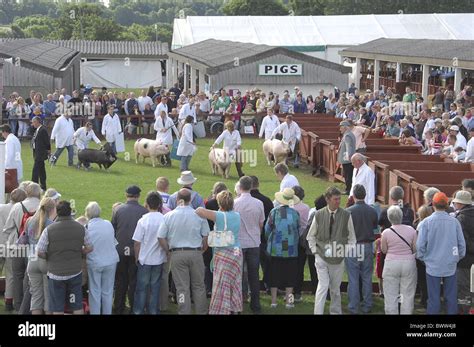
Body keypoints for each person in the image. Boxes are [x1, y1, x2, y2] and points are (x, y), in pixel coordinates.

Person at [158, 189, 210, 314]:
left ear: (177, 200)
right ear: (190, 199)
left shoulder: (168, 216)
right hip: (196, 253)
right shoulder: (199, 215)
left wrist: (168, 250)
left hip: (177, 254)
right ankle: (201, 311)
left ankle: (184, 311)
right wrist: (203, 249)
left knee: (182, 288)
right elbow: (206, 236)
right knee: (199, 286)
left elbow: (160, 236)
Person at [36, 201, 93, 315]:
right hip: (75, 272)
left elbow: (40, 252)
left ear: (57, 212)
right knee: (76, 305)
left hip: (55, 274)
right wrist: (79, 252)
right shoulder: (81, 228)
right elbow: (90, 247)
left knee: (58, 307)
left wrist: (50, 256)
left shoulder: (49, 229)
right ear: (70, 211)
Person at [307, 187, 356, 314]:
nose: (338, 201)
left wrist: (345, 252)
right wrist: (315, 252)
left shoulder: (346, 215)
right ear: (328, 200)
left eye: (339, 199)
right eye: (335, 199)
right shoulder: (318, 215)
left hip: (338, 258)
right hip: (321, 257)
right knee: (322, 286)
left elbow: (352, 239)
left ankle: (335, 312)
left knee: (335, 289)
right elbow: (310, 236)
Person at [417, 192, 466, 314]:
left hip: (432, 265)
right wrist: (457, 258)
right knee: (451, 297)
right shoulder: (454, 222)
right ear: (446, 205)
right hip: (450, 264)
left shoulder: (426, 222)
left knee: (433, 298)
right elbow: (462, 245)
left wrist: (424, 259)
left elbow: (420, 246)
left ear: (433, 204)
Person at [196, 190, 243, 314]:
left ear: (220, 203)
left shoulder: (219, 215)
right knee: (235, 281)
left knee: (222, 282)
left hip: (223, 252)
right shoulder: (237, 215)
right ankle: (234, 307)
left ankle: (222, 309)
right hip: (237, 252)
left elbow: (199, 211)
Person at [3, 182, 41, 313]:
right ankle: (30, 306)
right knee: (32, 278)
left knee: (17, 276)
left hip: (17, 246)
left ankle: (19, 306)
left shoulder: (17, 206)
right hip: (34, 248)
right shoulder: (42, 207)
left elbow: (7, 228)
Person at [112, 185, 148, 314]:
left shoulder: (118, 210)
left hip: (120, 251)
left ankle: (118, 308)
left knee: (121, 281)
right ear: (138, 196)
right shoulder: (144, 211)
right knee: (134, 281)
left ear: (126, 195)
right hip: (135, 252)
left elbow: (113, 230)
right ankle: (134, 308)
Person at [265, 188, 300, 309]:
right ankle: (289, 302)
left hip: (276, 250)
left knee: (274, 276)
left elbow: (267, 230)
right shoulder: (295, 214)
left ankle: (274, 301)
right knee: (290, 277)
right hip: (291, 251)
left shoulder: (274, 212)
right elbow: (298, 230)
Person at [234, 176, 265, 314]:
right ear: (252, 186)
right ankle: (256, 305)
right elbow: (260, 223)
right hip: (253, 243)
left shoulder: (235, 203)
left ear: (240, 187)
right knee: (253, 274)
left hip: (239, 243)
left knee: (238, 275)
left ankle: (237, 304)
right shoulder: (258, 203)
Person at [345, 184, 378, 314]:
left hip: (353, 247)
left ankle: (353, 306)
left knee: (353, 278)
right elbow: (375, 226)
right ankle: (367, 304)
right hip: (367, 246)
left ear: (353, 196)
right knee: (366, 277)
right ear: (364, 195)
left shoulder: (349, 211)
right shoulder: (372, 211)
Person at [132, 192, 166, 315]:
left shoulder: (143, 220)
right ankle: (153, 311)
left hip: (144, 259)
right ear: (159, 204)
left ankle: (138, 311)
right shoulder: (164, 219)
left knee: (141, 289)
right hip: (159, 259)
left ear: (146, 204)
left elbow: (137, 242)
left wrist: (137, 257)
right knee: (155, 288)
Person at [22, 197, 56, 315]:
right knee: (48, 296)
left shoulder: (29, 221)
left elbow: (25, 238)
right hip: (45, 260)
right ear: (52, 209)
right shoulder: (52, 225)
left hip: (32, 260)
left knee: (36, 296)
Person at [381, 206, 418, 314]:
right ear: (401, 216)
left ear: (389, 218)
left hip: (391, 263)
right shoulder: (411, 230)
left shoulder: (386, 233)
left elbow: (384, 250)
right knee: (407, 294)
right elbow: (415, 248)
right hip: (408, 263)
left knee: (390, 294)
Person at [85, 202, 119, 315]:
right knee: (108, 291)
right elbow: (113, 242)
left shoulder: (87, 227)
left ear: (87, 214)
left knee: (95, 291)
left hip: (95, 262)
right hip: (110, 261)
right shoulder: (108, 224)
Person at [0, 188, 27, 311]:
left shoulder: (1, 207)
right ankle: (8, 301)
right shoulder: (20, 210)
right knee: (11, 274)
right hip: (10, 245)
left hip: (2, 242)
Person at [249, 176, 274, 292]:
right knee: (266, 265)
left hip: (249, 239)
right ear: (258, 184)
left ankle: (250, 289)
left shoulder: (241, 201)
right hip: (264, 237)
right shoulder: (267, 201)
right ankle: (269, 286)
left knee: (250, 267)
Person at [451, 190, 473, 314]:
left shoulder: (460, 219)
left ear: (459, 204)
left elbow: (462, 242)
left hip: (464, 261)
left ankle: (466, 311)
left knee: (464, 289)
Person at [291, 186, 310, 302]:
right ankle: (297, 293)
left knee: (289, 267)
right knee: (300, 267)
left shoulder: (290, 207)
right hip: (302, 240)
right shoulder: (306, 207)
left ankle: (289, 293)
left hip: (291, 241)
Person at [31, 116, 50, 191]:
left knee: (35, 171)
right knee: (41, 170)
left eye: (33, 122)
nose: (32, 124)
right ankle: (43, 186)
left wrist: (48, 151)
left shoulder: (43, 130)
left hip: (40, 154)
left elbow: (47, 141)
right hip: (37, 153)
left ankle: (33, 187)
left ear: (37, 122)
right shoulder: (37, 130)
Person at [338, 121, 356, 195]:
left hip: (347, 160)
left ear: (345, 127)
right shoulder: (350, 134)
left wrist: (348, 158)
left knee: (348, 175)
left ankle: (348, 190)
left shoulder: (347, 135)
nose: (340, 129)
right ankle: (348, 189)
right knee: (348, 175)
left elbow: (349, 147)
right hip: (348, 159)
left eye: (341, 127)